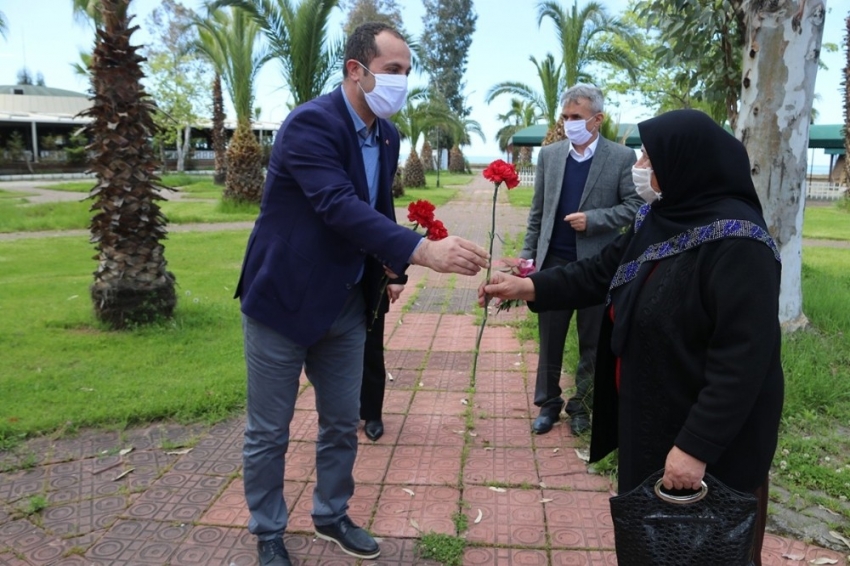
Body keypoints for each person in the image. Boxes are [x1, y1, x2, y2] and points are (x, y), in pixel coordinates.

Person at [480, 109, 783, 564]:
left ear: (687, 164)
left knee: (706, 550)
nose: (641, 167)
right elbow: (600, 271)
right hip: (652, 419)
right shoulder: (661, 218)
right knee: (653, 544)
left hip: (706, 443)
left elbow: (741, 363)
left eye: (650, 158)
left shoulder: (740, 243)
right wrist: (530, 286)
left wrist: (695, 447)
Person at [235, 22, 489, 566]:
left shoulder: (388, 135)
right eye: (393, 70)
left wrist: (392, 269)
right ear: (357, 70)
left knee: (341, 421)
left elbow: (376, 210)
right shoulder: (311, 125)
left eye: (406, 72)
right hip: (285, 298)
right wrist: (421, 253)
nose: (402, 82)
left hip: (348, 302)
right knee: (269, 430)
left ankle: (331, 514)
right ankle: (267, 530)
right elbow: (336, 206)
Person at [521, 83, 642, 436]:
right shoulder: (551, 156)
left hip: (597, 265)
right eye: (566, 116)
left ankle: (582, 405)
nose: (569, 122)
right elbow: (537, 213)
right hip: (554, 262)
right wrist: (528, 257)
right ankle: (548, 404)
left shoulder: (620, 159)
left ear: (597, 119)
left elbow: (634, 207)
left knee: (593, 341)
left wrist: (595, 220)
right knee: (550, 338)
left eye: (577, 117)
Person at [360, 278, 405, 441]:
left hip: (371, 278)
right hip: (326, 279)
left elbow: (400, 251)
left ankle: (372, 413)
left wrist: (397, 277)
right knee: (326, 355)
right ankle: (336, 414)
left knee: (371, 349)